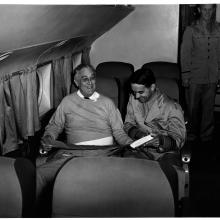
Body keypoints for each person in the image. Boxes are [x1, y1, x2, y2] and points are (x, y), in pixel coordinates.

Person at [36, 63, 133, 216]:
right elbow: (55, 125)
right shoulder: (67, 102)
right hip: (72, 155)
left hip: (104, 155)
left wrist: (131, 144)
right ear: (76, 82)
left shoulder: (107, 103)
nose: (90, 83)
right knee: (38, 174)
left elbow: (119, 133)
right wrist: (48, 137)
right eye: (85, 79)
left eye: (93, 78)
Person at [124, 67, 186, 166]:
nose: (136, 96)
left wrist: (161, 140)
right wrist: (140, 135)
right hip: (141, 149)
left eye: (141, 92)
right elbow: (127, 124)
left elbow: (179, 139)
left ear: (152, 87)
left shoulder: (171, 107)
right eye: (134, 92)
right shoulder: (133, 100)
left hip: (164, 153)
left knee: (166, 175)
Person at [180, 4, 220, 146]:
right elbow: (185, 54)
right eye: (204, 9)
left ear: (213, 10)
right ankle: (190, 135)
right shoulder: (191, 30)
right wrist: (185, 75)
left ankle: (206, 137)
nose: (207, 13)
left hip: (212, 76)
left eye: (210, 9)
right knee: (192, 108)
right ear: (199, 10)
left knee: (209, 108)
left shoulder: (218, 28)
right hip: (194, 77)